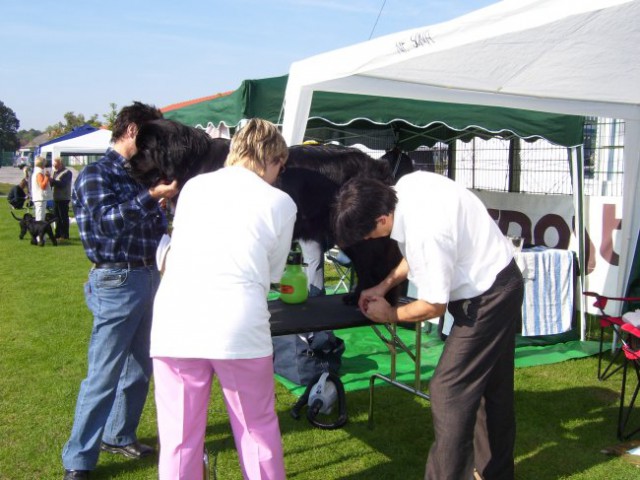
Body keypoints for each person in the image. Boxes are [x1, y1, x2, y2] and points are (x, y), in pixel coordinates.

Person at [332, 171, 524, 480]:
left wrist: (390, 315)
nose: (368, 241)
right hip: (498, 281)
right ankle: (495, 473)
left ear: (381, 220)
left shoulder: (426, 230)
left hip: (489, 296)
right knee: (493, 388)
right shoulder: (407, 188)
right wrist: (382, 286)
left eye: (366, 235)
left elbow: (434, 305)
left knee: (449, 389)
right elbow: (415, 256)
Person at [151, 118, 296, 479]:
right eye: (281, 165)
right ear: (273, 158)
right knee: (256, 431)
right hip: (238, 324)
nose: (280, 173)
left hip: (176, 320)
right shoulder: (281, 202)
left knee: (179, 439)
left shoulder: (196, 188)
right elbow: (274, 272)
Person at [62, 102, 179, 480]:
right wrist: (152, 196)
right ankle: (79, 460)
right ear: (131, 130)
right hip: (117, 280)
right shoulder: (96, 175)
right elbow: (107, 224)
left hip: (148, 276)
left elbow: (153, 226)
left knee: (140, 367)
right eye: (149, 134)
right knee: (104, 373)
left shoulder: (138, 175)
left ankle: (118, 434)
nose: (153, 144)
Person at [50, 157, 73, 240]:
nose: (54, 166)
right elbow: (52, 184)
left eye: (56, 164)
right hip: (56, 197)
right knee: (56, 217)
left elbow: (63, 184)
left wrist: (52, 181)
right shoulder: (54, 172)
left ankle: (65, 234)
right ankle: (57, 233)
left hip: (64, 197)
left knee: (63, 217)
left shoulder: (67, 172)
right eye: (54, 164)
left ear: (61, 164)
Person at [31, 155, 52, 221]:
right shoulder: (39, 173)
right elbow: (42, 186)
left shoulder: (36, 172)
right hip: (40, 198)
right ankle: (39, 231)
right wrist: (47, 177)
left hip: (38, 198)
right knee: (40, 219)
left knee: (40, 217)